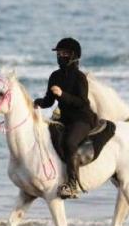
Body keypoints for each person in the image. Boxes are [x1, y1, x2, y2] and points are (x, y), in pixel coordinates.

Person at [33, 37, 98, 199]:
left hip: (83, 119)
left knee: (69, 142)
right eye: (59, 53)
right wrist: (35, 102)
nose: (60, 56)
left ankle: (72, 184)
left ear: (73, 56)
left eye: (64, 53)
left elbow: (82, 102)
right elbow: (49, 101)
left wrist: (62, 95)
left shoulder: (80, 77)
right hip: (65, 119)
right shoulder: (54, 76)